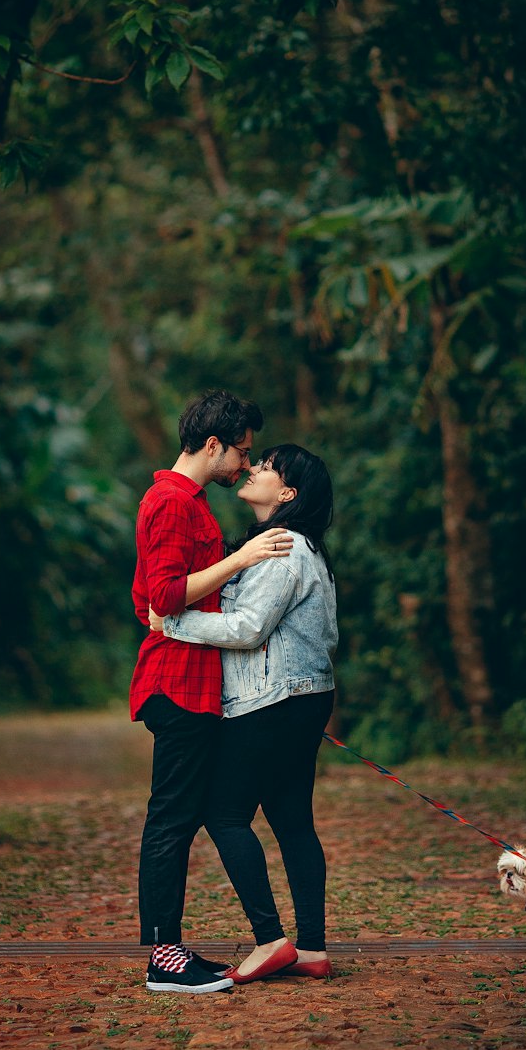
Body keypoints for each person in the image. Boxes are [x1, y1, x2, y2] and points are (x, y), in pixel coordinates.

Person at [149, 443, 337, 984]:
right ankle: (313, 950)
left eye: (266, 466)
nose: (252, 469)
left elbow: (247, 628)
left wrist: (171, 624)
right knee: (291, 819)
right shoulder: (296, 548)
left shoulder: (283, 548)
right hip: (299, 698)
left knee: (223, 813)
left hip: (271, 702)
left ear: (287, 494)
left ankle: (271, 940)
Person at [131, 390, 295, 995]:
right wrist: (244, 556)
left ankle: (170, 949)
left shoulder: (183, 501)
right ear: (212, 445)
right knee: (171, 819)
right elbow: (165, 598)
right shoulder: (172, 502)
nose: (244, 466)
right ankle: (162, 956)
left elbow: (146, 597)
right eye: (241, 453)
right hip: (176, 682)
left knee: (183, 815)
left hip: (193, 683)